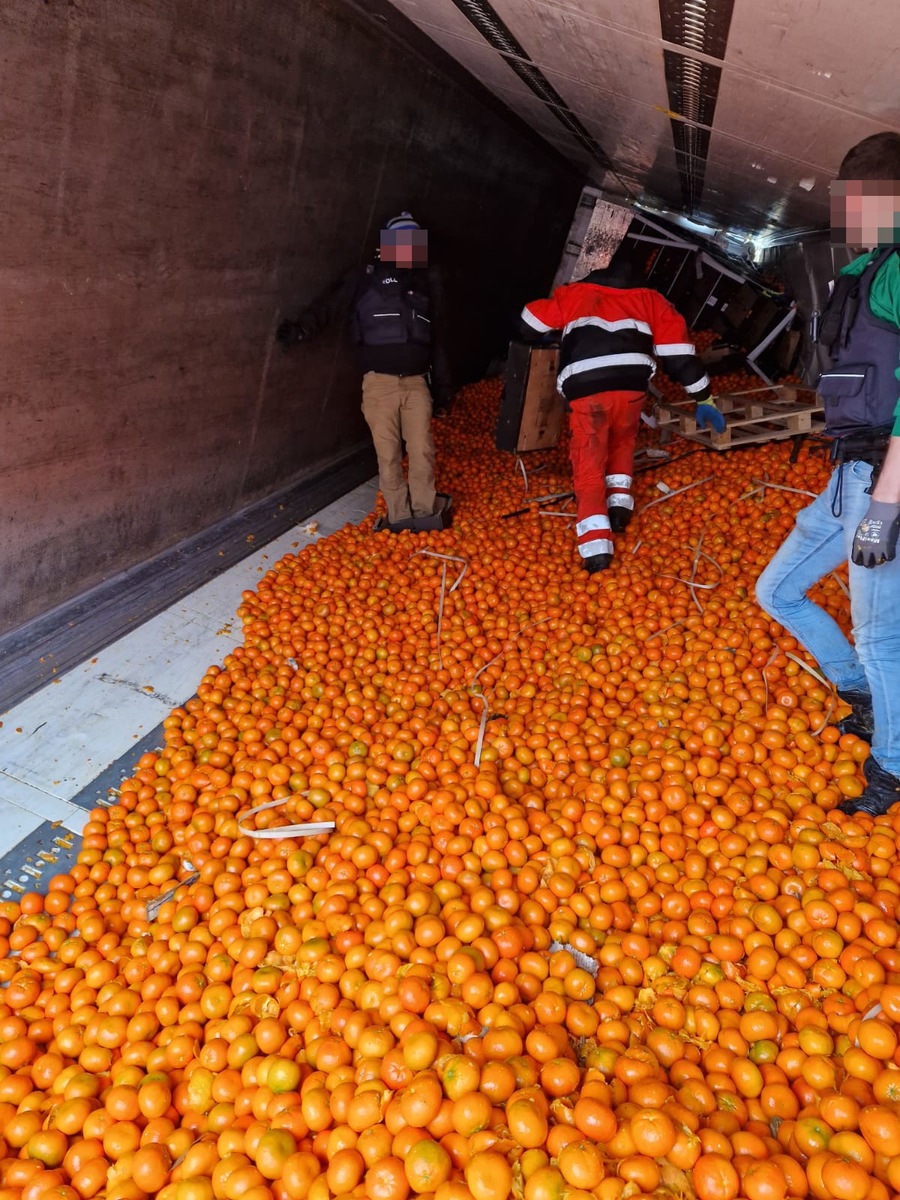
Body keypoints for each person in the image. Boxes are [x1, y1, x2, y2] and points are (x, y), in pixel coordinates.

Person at [755, 132, 900, 816]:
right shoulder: (863, 270)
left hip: (884, 481)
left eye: (855, 199)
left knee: (882, 634)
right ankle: (864, 695)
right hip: (847, 477)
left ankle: (893, 768)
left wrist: (886, 507)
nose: (845, 213)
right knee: (777, 589)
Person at [518, 245, 725, 573]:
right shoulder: (652, 300)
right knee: (623, 440)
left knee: (588, 459)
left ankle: (596, 546)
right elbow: (679, 357)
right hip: (631, 387)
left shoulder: (577, 293)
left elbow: (529, 323)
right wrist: (704, 398)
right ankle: (618, 508)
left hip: (587, 389)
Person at [277, 212, 452, 529]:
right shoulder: (364, 276)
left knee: (423, 450)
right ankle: (399, 517)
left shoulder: (425, 285)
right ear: (386, 245)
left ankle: (426, 515)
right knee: (388, 455)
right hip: (379, 385)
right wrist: (301, 330)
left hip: (416, 384)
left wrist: (442, 389)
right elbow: (328, 305)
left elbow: (437, 339)